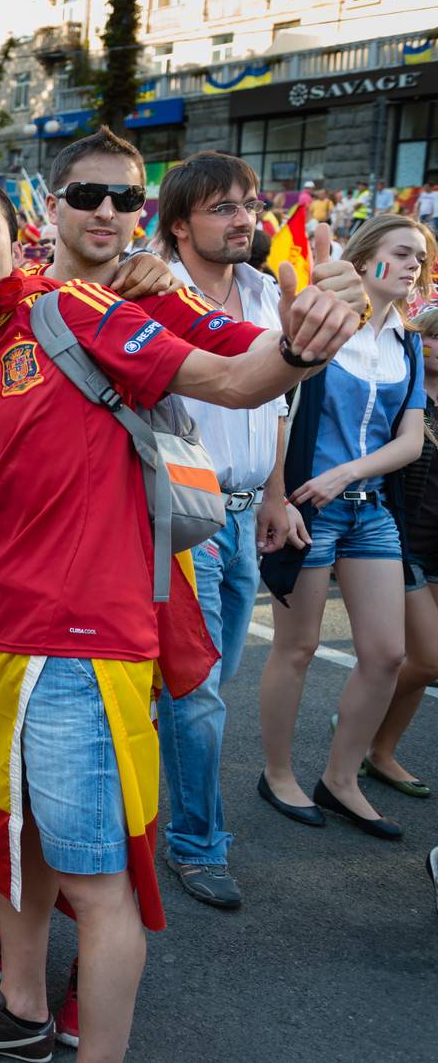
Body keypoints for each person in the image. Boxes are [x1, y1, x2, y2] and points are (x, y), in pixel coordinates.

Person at [0, 170, 363, 1063]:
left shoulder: (75, 308)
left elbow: (235, 375)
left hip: (83, 642)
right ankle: (23, 1015)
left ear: (16, 234)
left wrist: (302, 349)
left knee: (96, 879)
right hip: (2, 633)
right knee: (19, 841)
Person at [151, 151, 302, 909]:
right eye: (222, 207)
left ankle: (151, 784)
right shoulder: (153, 294)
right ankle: (195, 844)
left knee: (209, 684)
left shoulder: (268, 289)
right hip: (185, 520)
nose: (244, 217)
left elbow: (276, 404)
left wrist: (276, 494)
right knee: (198, 690)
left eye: (248, 203)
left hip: (247, 517)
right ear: (179, 224)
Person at [258, 213, 430, 842]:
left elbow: (410, 441)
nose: (414, 266)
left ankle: (341, 779)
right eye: (403, 253)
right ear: (363, 260)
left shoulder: (407, 343)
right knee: (296, 649)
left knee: (387, 654)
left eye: (421, 258)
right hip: (306, 509)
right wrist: (280, 496)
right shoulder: (320, 323)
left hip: (368, 510)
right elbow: (276, 409)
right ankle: (277, 774)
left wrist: (346, 474)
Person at [365, 303, 438, 797]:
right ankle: (362, 716)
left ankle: (380, 749)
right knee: (430, 660)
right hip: (404, 538)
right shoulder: (403, 393)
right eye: (434, 335)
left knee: (420, 658)